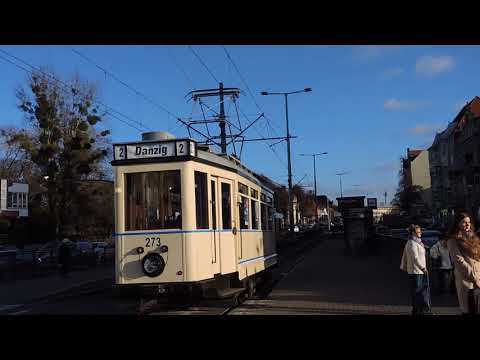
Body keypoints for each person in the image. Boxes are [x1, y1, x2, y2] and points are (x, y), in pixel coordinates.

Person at [447, 212, 480, 315]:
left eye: (469, 222)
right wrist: (475, 278)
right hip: (467, 282)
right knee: (469, 310)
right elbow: (459, 262)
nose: (467, 224)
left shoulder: (474, 238)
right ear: (458, 224)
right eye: (464, 222)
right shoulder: (453, 240)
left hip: (478, 279)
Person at [400, 224, 433, 315]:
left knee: (419, 291)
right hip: (416, 271)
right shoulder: (411, 243)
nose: (420, 233)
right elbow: (415, 258)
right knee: (417, 292)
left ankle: (419, 310)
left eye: (420, 231)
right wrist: (423, 268)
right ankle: (417, 310)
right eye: (418, 232)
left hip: (418, 271)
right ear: (413, 233)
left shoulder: (417, 242)